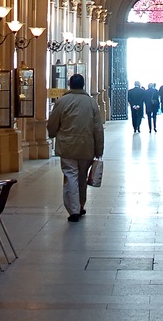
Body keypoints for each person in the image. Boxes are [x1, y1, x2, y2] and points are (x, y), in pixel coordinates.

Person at [47, 74, 104, 222]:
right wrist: (99, 149)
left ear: (69, 84)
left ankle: (74, 210)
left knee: (70, 176)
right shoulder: (91, 103)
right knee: (82, 177)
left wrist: (52, 133)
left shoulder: (62, 102)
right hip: (86, 147)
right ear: (83, 85)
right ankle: (80, 204)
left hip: (67, 146)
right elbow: (98, 128)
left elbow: (53, 122)